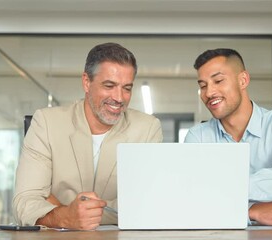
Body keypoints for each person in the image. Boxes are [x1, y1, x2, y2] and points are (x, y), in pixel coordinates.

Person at [13, 42, 163, 230]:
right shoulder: (46, 123)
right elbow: (25, 201)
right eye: (109, 85)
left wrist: (61, 209)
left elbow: (147, 204)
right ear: (86, 82)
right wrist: (65, 217)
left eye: (127, 88)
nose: (119, 97)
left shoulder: (147, 128)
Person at [184, 48, 272, 227]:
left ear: (243, 80)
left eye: (218, 81)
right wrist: (252, 211)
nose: (209, 92)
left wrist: (217, 190)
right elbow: (192, 200)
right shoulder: (198, 137)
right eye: (203, 85)